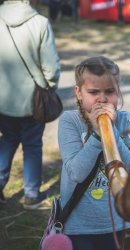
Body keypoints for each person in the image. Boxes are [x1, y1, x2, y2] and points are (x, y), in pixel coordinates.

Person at [58, 56, 130, 250]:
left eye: (109, 91)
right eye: (93, 92)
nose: (102, 99)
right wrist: (96, 134)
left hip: (115, 222)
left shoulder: (125, 119)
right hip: (77, 224)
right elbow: (76, 173)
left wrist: (113, 132)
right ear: (78, 92)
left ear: (117, 91)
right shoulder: (69, 121)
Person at [0, 0, 60, 208]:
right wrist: (50, 86)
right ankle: (31, 194)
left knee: (8, 139)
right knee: (32, 144)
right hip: (33, 100)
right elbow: (51, 69)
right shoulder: (40, 23)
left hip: (2, 99)